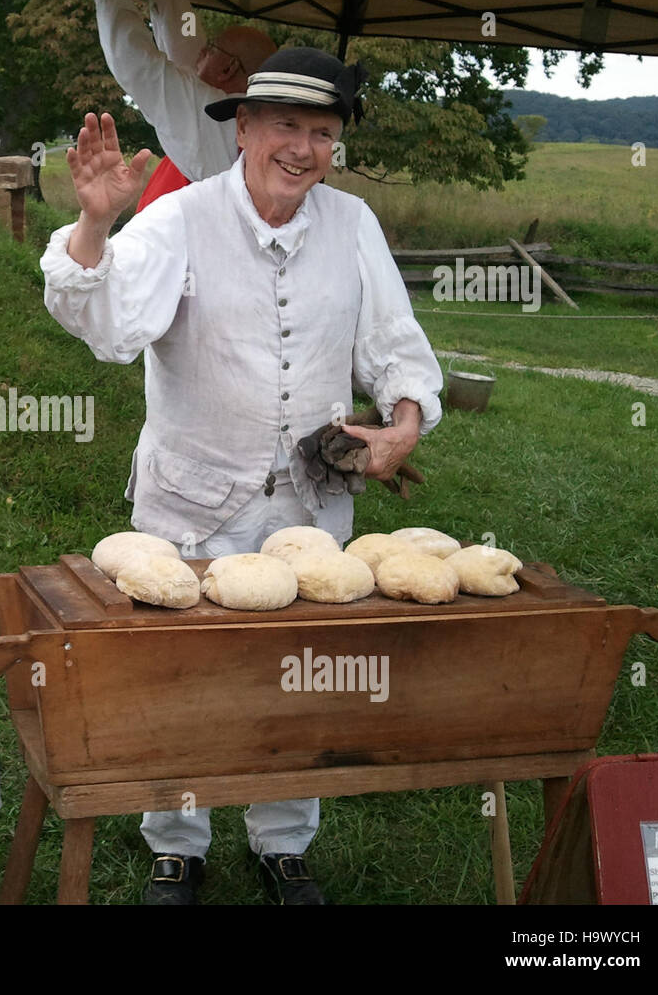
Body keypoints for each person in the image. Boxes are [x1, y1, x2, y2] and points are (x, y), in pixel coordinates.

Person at [40, 48, 443, 905]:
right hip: (193, 500)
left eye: (323, 132)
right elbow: (107, 322)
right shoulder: (180, 218)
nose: (302, 148)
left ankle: (283, 840)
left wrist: (402, 424)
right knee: (182, 677)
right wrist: (94, 227)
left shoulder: (353, 224)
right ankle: (177, 845)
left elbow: (396, 347)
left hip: (311, 505)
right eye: (287, 126)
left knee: (301, 677)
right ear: (245, 130)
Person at [86, 0, 276, 208]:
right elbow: (187, 40)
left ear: (229, 68)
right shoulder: (243, 118)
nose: (201, 50)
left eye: (210, 48)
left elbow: (140, 67)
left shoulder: (216, 116)